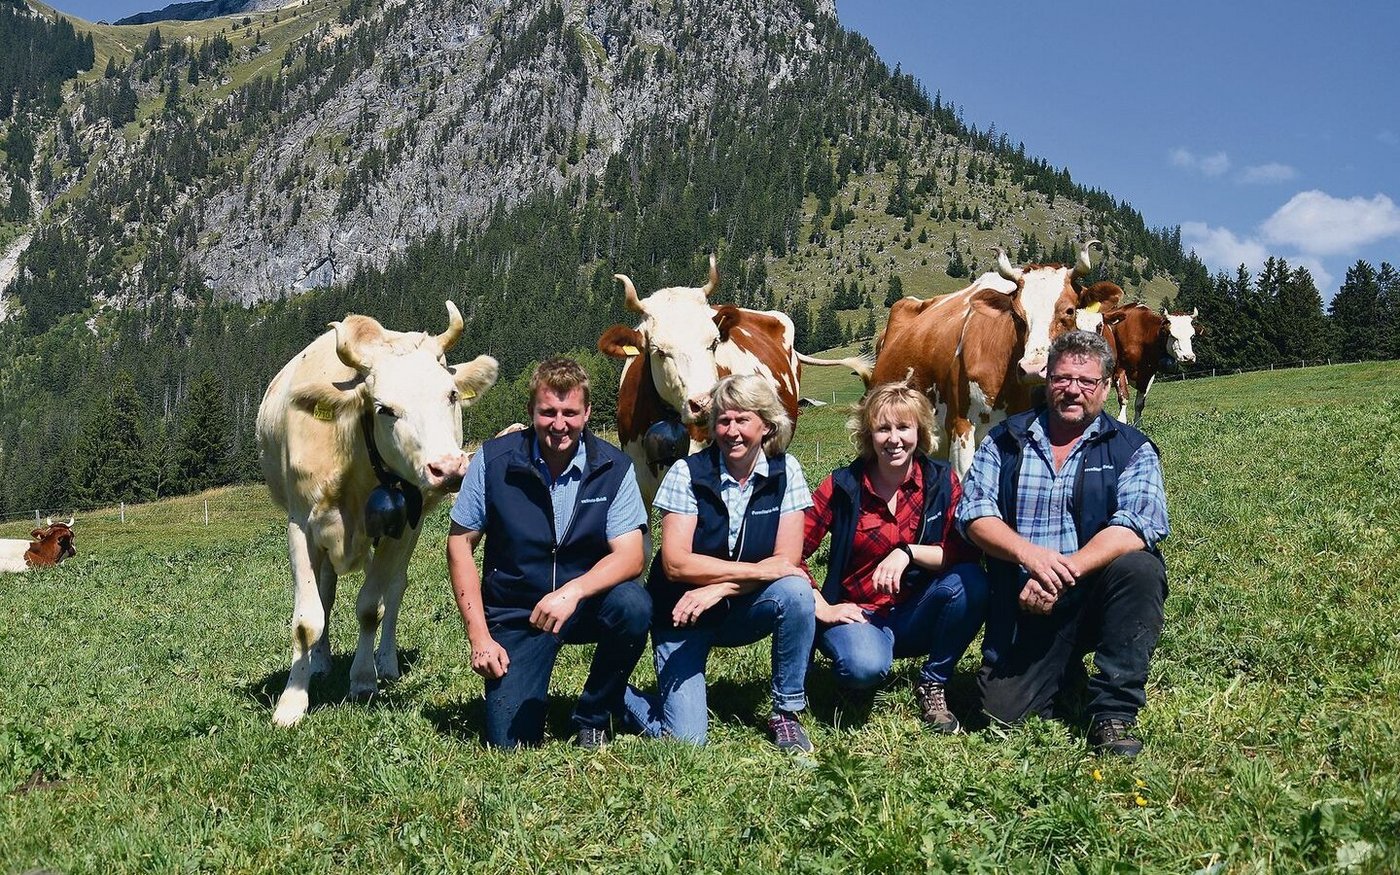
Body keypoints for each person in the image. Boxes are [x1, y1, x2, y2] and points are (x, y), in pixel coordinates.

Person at [955, 330, 1170, 756]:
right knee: (1003, 714)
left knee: (1139, 567)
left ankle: (1115, 710)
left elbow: (1136, 524)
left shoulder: (1132, 449)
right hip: (1024, 598)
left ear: (1106, 388)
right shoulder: (1004, 440)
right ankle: (1062, 667)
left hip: (1091, 594)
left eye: (1086, 381)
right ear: (1047, 380)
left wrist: (1063, 572)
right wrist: (1031, 557)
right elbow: (974, 515)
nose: (1073, 389)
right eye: (1061, 378)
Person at [446, 357, 651, 749]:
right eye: (548, 412)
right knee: (510, 744)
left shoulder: (614, 466)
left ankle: (594, 714)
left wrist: (571, 592)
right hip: (518, 612)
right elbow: (459, 543)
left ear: (587, 412)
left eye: (571, 413)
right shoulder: (492, 461)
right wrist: (480, 638)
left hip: (585, 605)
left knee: (634, 604)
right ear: (531, 411)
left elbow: (630, 557)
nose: (560, 424)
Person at [628, 374, 818, 752]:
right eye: (723, 420)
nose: (732, 431)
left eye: (742, 419)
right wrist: (755, 572)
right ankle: (613, 692)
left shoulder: (787, 471)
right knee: (687, 741)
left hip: (741, 608)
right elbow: (677, 564)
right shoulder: (687, 473)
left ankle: (786, 711)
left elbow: (786, 562)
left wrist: (721, 586)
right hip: (683, 614)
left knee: (797, 592)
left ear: (766, 425)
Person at [802, 382, 988, 732]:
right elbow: (791, 553)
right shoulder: (842, 486)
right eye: (882, 428)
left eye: (904, 427)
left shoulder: (942, 482)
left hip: (918, 611)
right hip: (858, 614)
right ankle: (856, 672)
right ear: (868, 434)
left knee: (972, 581)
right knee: (863, 668)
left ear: (920, 430)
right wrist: (823, 607)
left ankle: (933, 682)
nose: (894, 439)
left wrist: (908, 552)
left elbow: (964, 552)